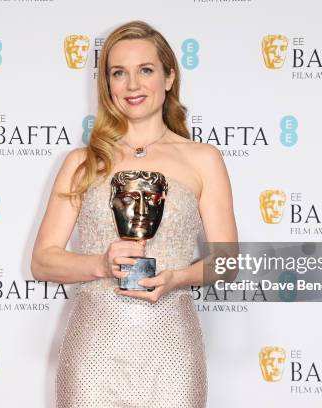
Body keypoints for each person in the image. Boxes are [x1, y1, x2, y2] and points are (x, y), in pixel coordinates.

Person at [31, 20, 237, 408]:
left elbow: (227, 263)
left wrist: (180, 276)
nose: (132, 85)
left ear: (169, 76)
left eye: (146, 70)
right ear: (107, 84)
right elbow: (43, 261)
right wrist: (101, 264)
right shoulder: (82, 162)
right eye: (118, 73)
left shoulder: (203, 159)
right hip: (94, 350)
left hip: (172, 347)